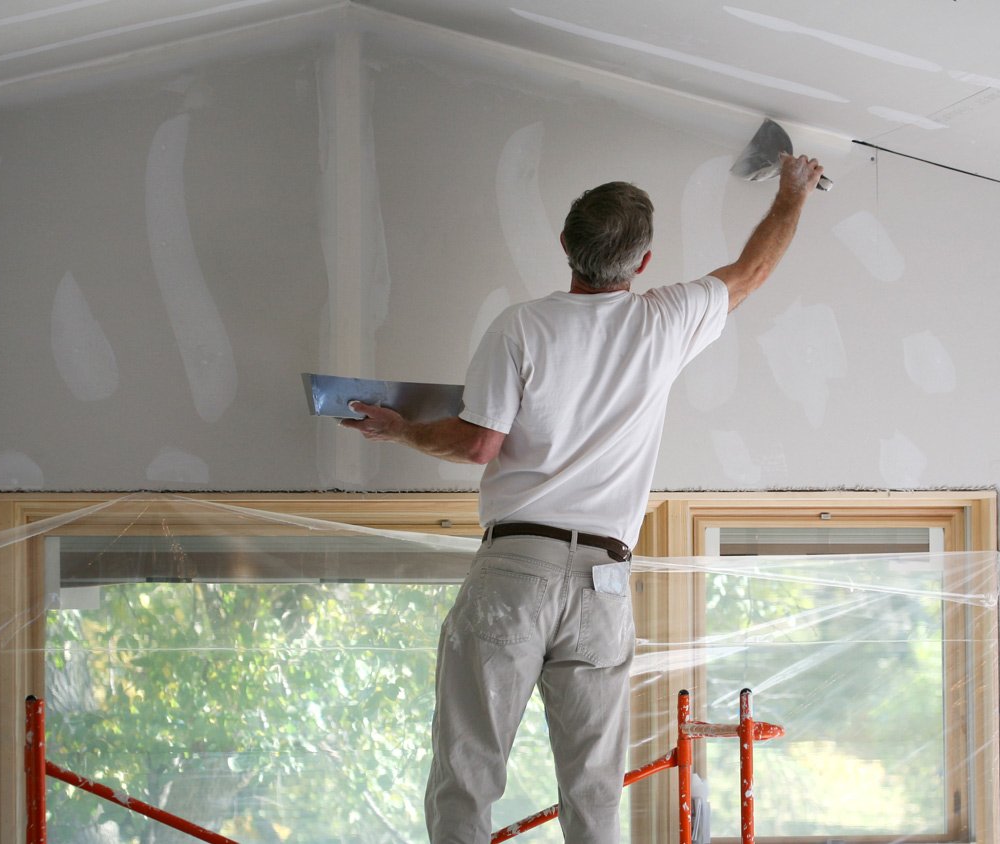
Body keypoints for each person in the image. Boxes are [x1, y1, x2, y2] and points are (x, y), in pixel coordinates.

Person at [342, 152, 824, 843]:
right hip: (603, 580)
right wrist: (792, 192)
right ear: (645, 261)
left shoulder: (521, 328)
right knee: (594, 788)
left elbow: (478, 445)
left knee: (469, 773)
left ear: (566, 243)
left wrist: (403, 430)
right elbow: (751, 271)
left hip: (517, 569)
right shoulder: (665, 321)